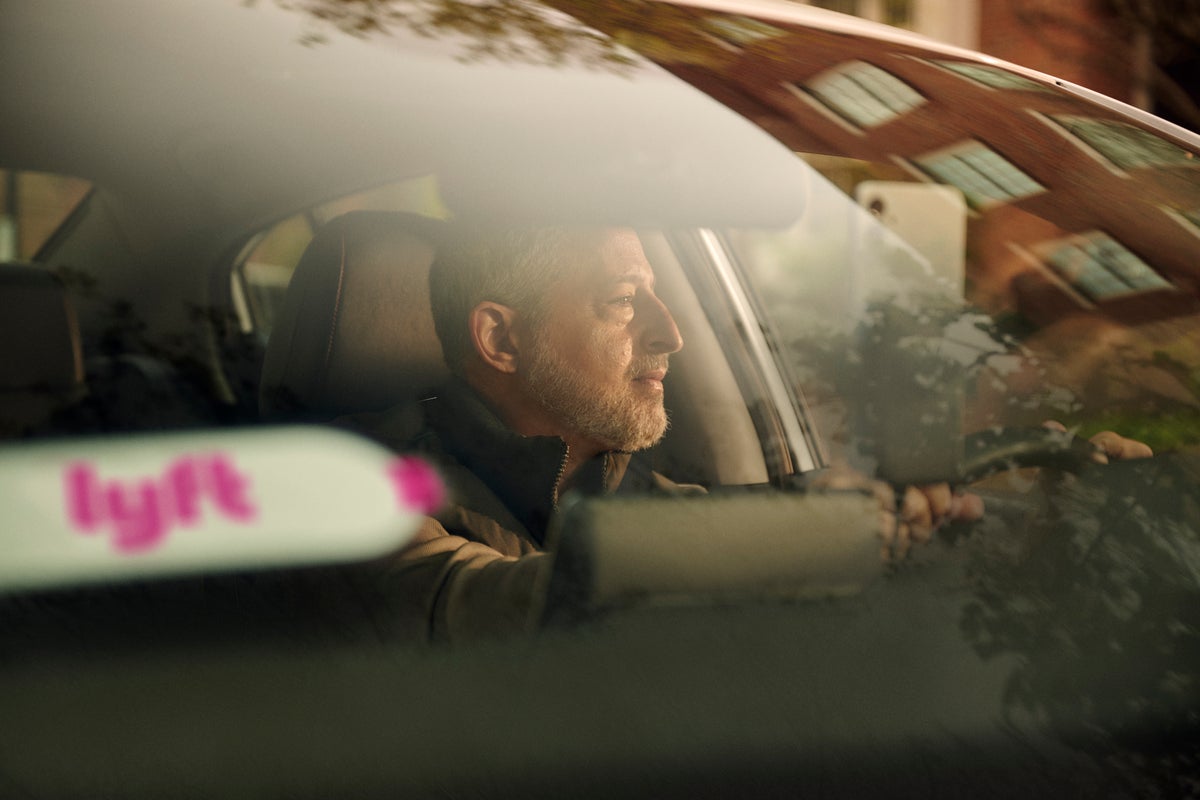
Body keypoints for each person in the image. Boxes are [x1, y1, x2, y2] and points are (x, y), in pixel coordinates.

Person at [347, 225, 1148, 642]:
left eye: (659, 299)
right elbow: (465, 607)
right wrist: (778, 542)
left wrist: (1006, 512)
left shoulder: (625, 485)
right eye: (624, 300)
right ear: (501, 338)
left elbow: (756, 514)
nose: (672, 334)